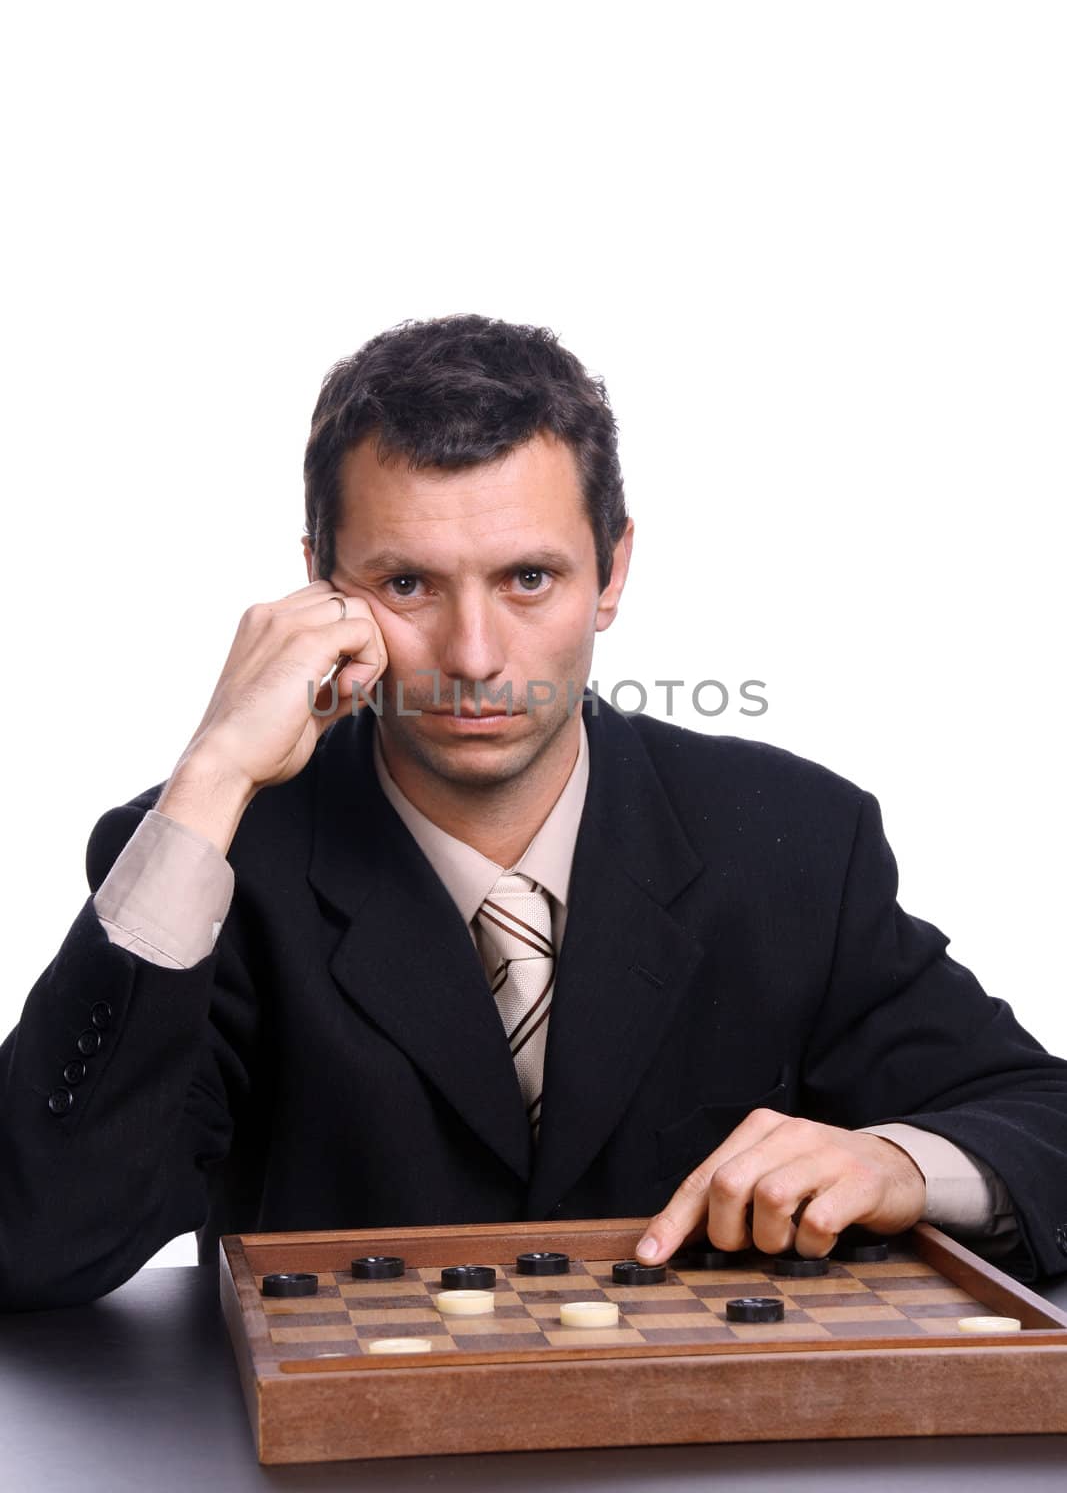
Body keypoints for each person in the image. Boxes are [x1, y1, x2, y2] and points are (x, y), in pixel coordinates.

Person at [2, 313, 1066, 1313]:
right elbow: (36, 1237)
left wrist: (894, 1161)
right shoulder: (213, 862)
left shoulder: (790, 841)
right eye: (408, 582)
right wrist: (211, 776)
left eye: (526, 578)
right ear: (319, 586)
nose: (472, 657)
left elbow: (1043, 1119)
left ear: (610, 574)